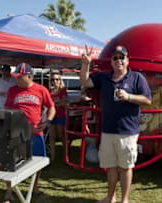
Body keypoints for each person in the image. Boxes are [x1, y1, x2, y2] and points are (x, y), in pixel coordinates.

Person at [80, 45, 151, 203]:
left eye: (122, 57)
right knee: (110, 167)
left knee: (125, 167)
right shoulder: (103, 78)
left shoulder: (137, 78)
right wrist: (86, 64)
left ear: (127, 60)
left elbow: (147, 100)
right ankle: (111, 197)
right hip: (107, 131)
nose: (118, 60)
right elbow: (85, 81)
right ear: (111, 62)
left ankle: (124, 200)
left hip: (128, 132)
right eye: (115, 58)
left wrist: (128, 97)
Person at [4, 62, 56, 202]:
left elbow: (51, 107)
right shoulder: (12, 91)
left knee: (38, 162)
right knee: (11, 163)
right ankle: (9, 193)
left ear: (29, 76)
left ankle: (35, 187)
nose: (17, 79)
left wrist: (47, 121)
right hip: (17, 134)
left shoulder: (41, 90)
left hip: (36, 134)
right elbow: (7, 109)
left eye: (19, 77)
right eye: (16, 77)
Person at [48, 72, 67, 162]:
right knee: (51, 136)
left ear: (60, 81)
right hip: (51, 116)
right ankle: (52, 156)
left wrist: (53, 104)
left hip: (60, 115)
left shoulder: (63, 90)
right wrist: (55, 104)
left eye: (56, 79)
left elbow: (63, 102)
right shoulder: (49, 91)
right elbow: (48, 103)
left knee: (61, 135)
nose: (54, 81)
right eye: (53, 80)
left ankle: (65, 154)